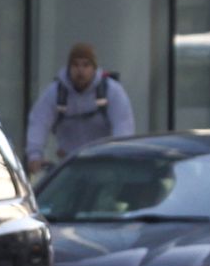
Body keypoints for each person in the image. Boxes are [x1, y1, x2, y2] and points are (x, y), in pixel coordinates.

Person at [23, 42, 134, 176]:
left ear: (94, 68)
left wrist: (119, 156)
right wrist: (34, 155)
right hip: (69, 164)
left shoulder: (112, 91)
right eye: (75, 65)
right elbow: (39, 122)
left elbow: (123, 126)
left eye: (86, 65)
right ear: (69, 67)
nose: (80, 71)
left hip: (104, 164)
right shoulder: (56, 93)